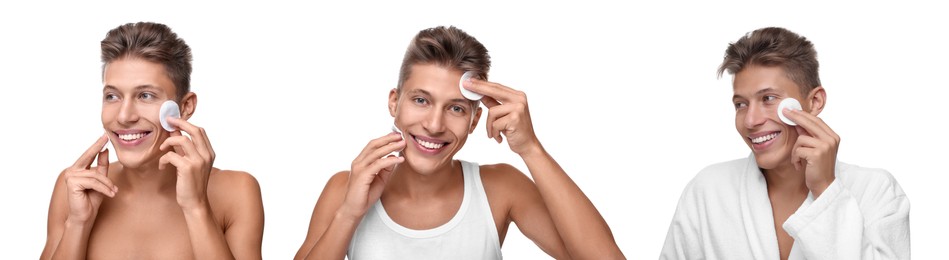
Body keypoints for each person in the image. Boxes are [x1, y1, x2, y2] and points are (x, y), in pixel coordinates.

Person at [294, 26, 624, 259]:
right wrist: (349, 213)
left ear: (474, 120)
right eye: (421, 100)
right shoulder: (344, 190)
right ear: (395, 102)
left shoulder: (500, 188)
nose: (434, 125)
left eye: (455, 108)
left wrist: (530, 149)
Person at [660, 27, 910, 259]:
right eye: (740, 104)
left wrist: (825, 190)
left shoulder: (876, 191)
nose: (750, 120)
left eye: (768, 98)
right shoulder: (708, 191)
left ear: (814, 102)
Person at [40, 22, 264, 259]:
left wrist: (196, 207)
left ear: (185, 106)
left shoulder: (236, 192)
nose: (124, 116)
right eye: (112, 96)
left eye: (145, 95)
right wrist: (78, 223)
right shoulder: (74, 187)